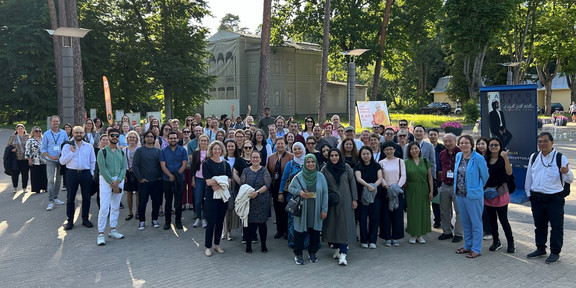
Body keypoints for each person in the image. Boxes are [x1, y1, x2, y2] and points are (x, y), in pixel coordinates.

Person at [525, 132, 574, 264]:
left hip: (554, 199)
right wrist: (529, 193)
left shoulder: (560, 157)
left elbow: (570, 179)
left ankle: (555, 252)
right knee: (539, 225)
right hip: (537, 198)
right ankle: (540, 248)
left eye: (545, 141)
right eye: (540, 141)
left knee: (556, 227)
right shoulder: (534, 157)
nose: (542, 144)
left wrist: (566, 172)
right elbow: (529, 176)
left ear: (552, 142)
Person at [288, 154, 328, 265]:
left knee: (315, 232)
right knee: (299, 232)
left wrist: (324, 209)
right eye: (308, 162)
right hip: (303, 208)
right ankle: (298, 254)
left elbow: (325, 193)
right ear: (305, 163)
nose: (310, 164)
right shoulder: (299, 176)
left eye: (312, 162)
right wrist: (299, 192)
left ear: (316, 163)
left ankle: (313, 253)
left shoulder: (320, 176)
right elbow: (291, 188)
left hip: (316, 208)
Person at [454, 135, 489, 259]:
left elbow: (485, 176)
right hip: (460, 194)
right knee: (465, 222)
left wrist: (477, 188)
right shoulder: (458, 156)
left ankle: (476, 249)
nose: (463, 145)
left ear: (471, 144)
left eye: (466, 143)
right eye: (461, 143)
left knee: (476, 223)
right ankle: (467, 245)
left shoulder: (478, 158)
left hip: (473, 196)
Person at [321, 148, 357, 266]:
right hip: (332, 202)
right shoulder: (325, 169)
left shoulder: (346, 167)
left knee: (344, 226)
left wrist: (354, 199)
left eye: (336, 155)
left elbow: (352, 183)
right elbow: (321, 185)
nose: (334, 158)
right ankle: (336, 249)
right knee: (333, 225)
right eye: (332, 156)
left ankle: (343, 253)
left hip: (346, 201)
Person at [59, 126, 96, 230]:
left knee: (87, 198)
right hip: (72, 174)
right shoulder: (67, 146)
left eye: (80, 132)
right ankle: (70, 220)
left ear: (83, 134)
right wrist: (71, 152)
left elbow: (93, 161)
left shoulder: (89, 146)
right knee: (70, 198)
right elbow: (62, 161)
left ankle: (85, 219)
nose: (78, 134)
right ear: (73, 133)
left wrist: (91, 173)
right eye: (76, 132)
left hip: (86, 174)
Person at [484, 137, 515, 253]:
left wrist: (505, 158)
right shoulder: (485, 159)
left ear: (500, 146)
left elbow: (509, 172)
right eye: (491, 145)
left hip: (500, 193)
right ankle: (496, 242)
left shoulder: (503, 159)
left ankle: (511, 243)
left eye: (496, 145)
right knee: (492, 220)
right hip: (488, 194)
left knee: (503, 220)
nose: (493, 147)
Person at [202, 141, 232, 256]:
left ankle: (217, 245)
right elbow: (208, 182)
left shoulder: (225, 164)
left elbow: (229, 179)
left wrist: (218, 183)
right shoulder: (206, 164)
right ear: (211, 150)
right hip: (211, 196)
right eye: (215, 149)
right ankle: (208, 246)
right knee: (211, 222)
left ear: (222, 150)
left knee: (220, 221)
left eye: (219, 149)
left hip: (222, 196)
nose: (217, 151)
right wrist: (222, 181)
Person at [240, 151, 272, 253]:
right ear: (250, 159)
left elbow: (267, 184)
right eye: (253, 157)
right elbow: (242, 183)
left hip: (262, 201)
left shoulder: (264, 171)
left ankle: (263, 245)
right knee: (249, 224)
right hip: (249, 201)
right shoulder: (245, 171)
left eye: (257, 157)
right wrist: (249, 193)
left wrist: (257, 192)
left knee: (262, 224)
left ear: (260, 159)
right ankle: (248, 246)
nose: (255, 159)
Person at [404, 141, 434, 244]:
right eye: (412, 149)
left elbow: (429, 177)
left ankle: (420, 234)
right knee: (412, 212)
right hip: (411, 189)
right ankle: (412, 234)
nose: (414, 151)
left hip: (424, 188)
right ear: (409, 151)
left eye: (416, 148)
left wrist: (431, 191)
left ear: (419, 149)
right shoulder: (405, 162)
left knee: (423, 211)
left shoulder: (425, 161)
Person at [132, 131, 163, 230]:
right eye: (148, 136)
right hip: (144, 182)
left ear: (154, 139)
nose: (150, 138)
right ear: (144, 138)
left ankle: (154, 219)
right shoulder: (139, 151)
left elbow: (162, 165)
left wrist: (160, 177)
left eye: (151, 136)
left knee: (156, 202)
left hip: (156, 181)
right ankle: (142, 221)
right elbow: (135, 166)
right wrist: (140, 178)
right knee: (142, 203)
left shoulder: (158, 151)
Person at [378, 141, 406, 247]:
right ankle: (387, 237)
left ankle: (396, 237)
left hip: (397, 190)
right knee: (386, 215)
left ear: (394, 149)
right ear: (384, 151)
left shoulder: (400, 161)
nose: (389, 151)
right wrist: (386, 187)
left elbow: (403, 175)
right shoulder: (381, 162)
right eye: (386, 149)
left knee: (397, 214)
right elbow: (381, 177)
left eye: (391, 149)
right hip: (386, 191)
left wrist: (397, 187)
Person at [355, 146, 383, 249]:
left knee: (374, 218)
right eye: (363, 154)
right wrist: (368, 186)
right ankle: (364, 240)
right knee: (362, 218)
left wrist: (374, 186)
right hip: (362, 195)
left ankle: (372, 240)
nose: (366, 156)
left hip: (375, 195)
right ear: (360, 155)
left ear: (371, 155)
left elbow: (380, 178)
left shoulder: (376, 166)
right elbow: (358, 178)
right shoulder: (358, 166)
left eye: (368, 154)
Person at [279, 142, 306, 248]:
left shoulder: (308, 162)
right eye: (295, 149)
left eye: (299, 149)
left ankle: (305, 242)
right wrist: (280, 192)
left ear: (303, 150)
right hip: (293, 197)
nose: (297, 151)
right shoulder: (290, 164)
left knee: (305, 219)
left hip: (306, 196)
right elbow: (284, 179)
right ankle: (294, 242)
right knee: (293, 220)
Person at [437, 133, 463, 242]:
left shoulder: (461, 153)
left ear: (455, 141)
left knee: (459, 211)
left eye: (450, 141)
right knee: (444, 210)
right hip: (445, 185)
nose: (447, 143)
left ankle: (458, 233)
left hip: (458, 185)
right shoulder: (442, 153)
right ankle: (446, 232)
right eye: (445, 141)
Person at [266, 137, 294, 240]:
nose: (280, 146)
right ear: (275, 145)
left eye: (282, 144)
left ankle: (287, 230)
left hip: (287, 186)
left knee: (286, 209)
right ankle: (279, 230)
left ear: (285, 145)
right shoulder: (271, 157)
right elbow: (268, 171)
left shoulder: (291, 156)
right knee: (277, 209)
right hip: (275, 186)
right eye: (278, 144)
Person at [159, 131, 188, 230]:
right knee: (168, 201)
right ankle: (167, 222)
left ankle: (178, 221)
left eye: (174, 138)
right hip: (167, 179)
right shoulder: (163, 151)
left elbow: (184, 164)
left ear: (178, 139)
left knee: (179, 201)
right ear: (167, 139)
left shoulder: (183, 150)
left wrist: (177, 176)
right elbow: (162, 165)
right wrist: (170, 176)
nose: (173, 140)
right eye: (170, 138)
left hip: (179, 180)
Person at [42, 116, 68, 211]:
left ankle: (56, 197)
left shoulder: (63, 133)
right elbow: (43, 149)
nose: (55, 123)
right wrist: (50, 156)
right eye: (54, 121)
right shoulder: (46, 134)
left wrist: (63, 155)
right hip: (50, 159)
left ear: (59, 122)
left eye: (57, 121)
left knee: (58, 180)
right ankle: (50, 200)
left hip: (61, 160)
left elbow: (67, 145)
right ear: (50, 122)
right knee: (50, 180)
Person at [233, 140, 256, 243]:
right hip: (243, 190)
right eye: (246, 147)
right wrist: (242, 185)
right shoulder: (239, 160)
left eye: (249, 147)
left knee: (254, 213)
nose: (248, 149)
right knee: (245, 212)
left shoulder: (256, 159)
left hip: (254, 191)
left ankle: (254, 234)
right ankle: (245, 235)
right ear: (243, 149)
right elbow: (235, 173)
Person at [222, 140, 240, 240]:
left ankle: (229, 231)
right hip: (225, 187)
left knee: (231, 209)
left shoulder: (238, 159)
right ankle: (224, 231)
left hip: (235, 187)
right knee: (224, 210)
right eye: (228, 146)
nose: (230, 148)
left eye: (232, 146)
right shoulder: (222, 159)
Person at [475, 136, 492, 240]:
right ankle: (483, 230)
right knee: (480, 211)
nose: (480, 146)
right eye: (479, 144)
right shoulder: (475, 156)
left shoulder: (491, 157)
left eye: (483, 144)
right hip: (478, 187)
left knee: (487, 212)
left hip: (488, 187)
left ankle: (489, 231)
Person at [428, 128, 444, 229]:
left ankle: (447, 220)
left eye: (435, 134)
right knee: (435, 201)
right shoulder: (427, 147)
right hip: (432, 178)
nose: (433, 136)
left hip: (442, 177)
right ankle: (437, 220)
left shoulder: (442, 147)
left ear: (438, 136)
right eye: (431, 135)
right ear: (428, 136)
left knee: (445, 201)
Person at [7, 124, 30, 193]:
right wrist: (11, 149)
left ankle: (24, 188)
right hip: (15, 159)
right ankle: (15, 187)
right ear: (16, 130)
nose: (20, 130)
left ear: (24, 129)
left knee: (25, 174)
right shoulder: (12, 137)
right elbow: (8, 146)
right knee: (15, 174)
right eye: (19, 129)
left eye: (21, 128)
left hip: (25, 159)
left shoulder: (28, 137)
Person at [123, 131, 140, 221]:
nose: (132, 139)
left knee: (138, 193)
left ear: (136, 139)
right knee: (129, 193)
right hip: (127, 172)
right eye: (130, 137)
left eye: (133, 137)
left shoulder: (139, 149)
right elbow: (122, 163)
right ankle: (130, 212)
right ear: (127, 139)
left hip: (137, 172)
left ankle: (137, 212)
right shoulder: (124, 150)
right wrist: (123, 175)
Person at [26, 126, 47, 193]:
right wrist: (29, 159)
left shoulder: (44, 139)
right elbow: (27, 150)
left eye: (39, 131)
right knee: (35, 175)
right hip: (34, 159)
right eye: (36, 131)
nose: (38, 132)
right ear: (33, 132)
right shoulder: (30, 140)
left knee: (44, 174)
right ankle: (36, 188)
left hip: (44, 159)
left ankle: (45, 187)